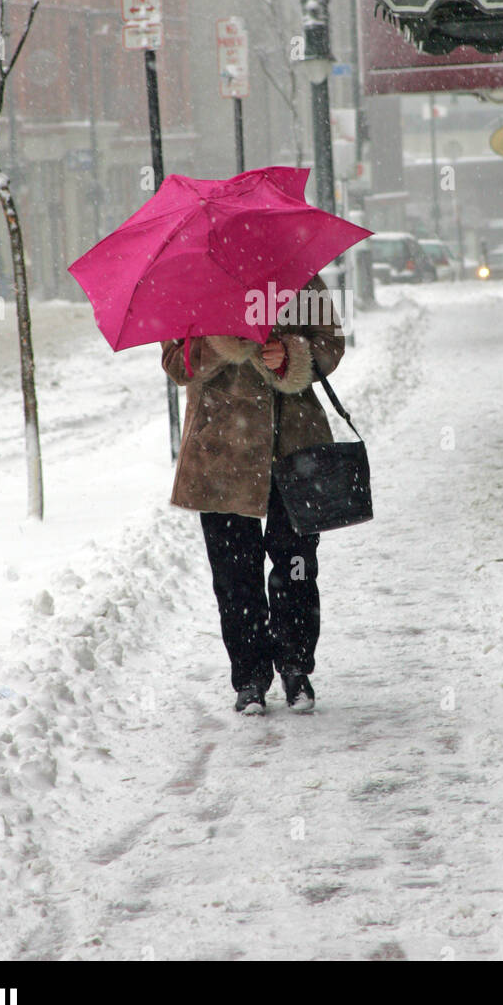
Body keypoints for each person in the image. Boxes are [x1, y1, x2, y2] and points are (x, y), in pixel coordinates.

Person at [161, 275, 345, 715]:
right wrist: (224, 344)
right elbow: (176, 364)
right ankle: (249, 679)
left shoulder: (299, 276)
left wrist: (291, 355)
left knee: (296, 563)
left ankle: (296, 667)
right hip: (220, 452)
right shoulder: (191, 285)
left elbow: (331, 345)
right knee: (234, 573)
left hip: (294, 446)